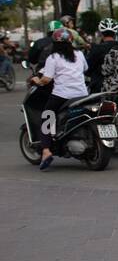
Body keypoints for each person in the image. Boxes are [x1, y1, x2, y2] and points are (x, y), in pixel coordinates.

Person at [26, 27, 88, 170]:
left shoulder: (53, 58)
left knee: (46, 118)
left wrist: (36, 80)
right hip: (82, 94)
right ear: (71, 41)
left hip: (62, 95)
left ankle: (46, 151)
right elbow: (85, 69)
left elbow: (46, 79)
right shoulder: (79, 54)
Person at [85, 22, 117, 93]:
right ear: (115, 34)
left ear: (101, 34)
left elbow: (87, 68)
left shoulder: (96, 48)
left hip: (99, 87)